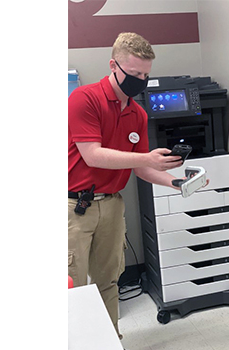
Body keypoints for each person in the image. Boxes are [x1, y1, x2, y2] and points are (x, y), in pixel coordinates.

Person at [68, 32, 185, 338]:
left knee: (108, 281)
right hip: (74, 208)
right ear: (113, 65)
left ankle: (108, 337)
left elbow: (143, 169)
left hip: (111, 204)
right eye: (134, 74)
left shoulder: (138, 113)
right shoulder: (85, 98)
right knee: (71, 284)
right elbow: (92, 155)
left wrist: (177, 181)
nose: (141, 81)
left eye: (146, 75)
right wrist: (147, 157)